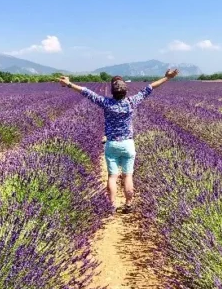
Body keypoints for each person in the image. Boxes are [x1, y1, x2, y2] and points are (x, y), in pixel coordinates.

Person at [58, 69, 179, 212]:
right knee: (128, 176)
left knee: (112, 177)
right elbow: (150, 87)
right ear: (125, 91)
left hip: (112, 144)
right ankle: (128, 204)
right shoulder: (131, 102)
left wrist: (69, 83)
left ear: (112, 92)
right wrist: (167, 77)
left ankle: (111, 205)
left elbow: (86, 92)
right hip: (128, 144)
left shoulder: (106, 103)